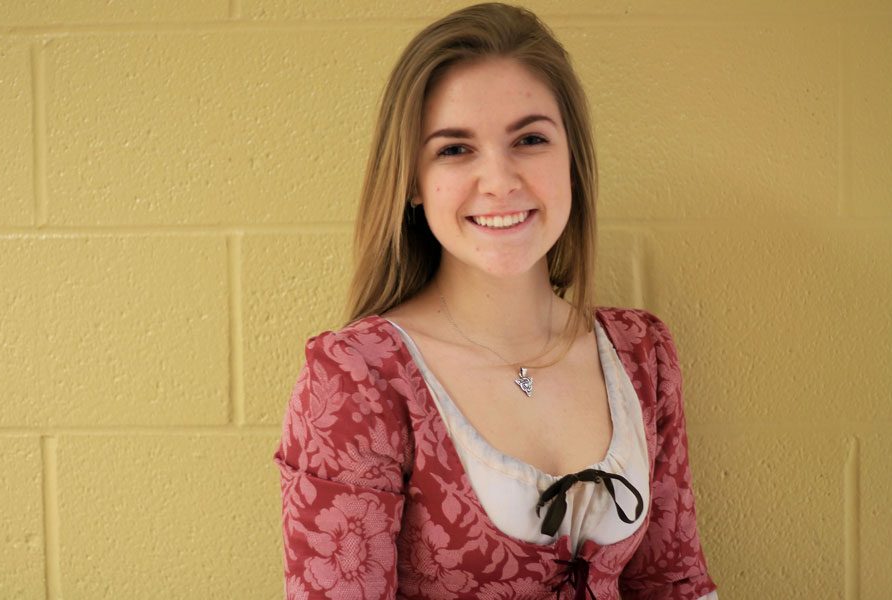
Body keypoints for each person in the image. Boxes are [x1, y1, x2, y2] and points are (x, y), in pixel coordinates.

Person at [273, 3, 718, 598]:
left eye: (530, 139)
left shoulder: (642, 354)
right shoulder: (359, 380)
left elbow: (674, 584)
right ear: (411, 180)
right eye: (455, 150)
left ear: (572, 160)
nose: (500, 180)